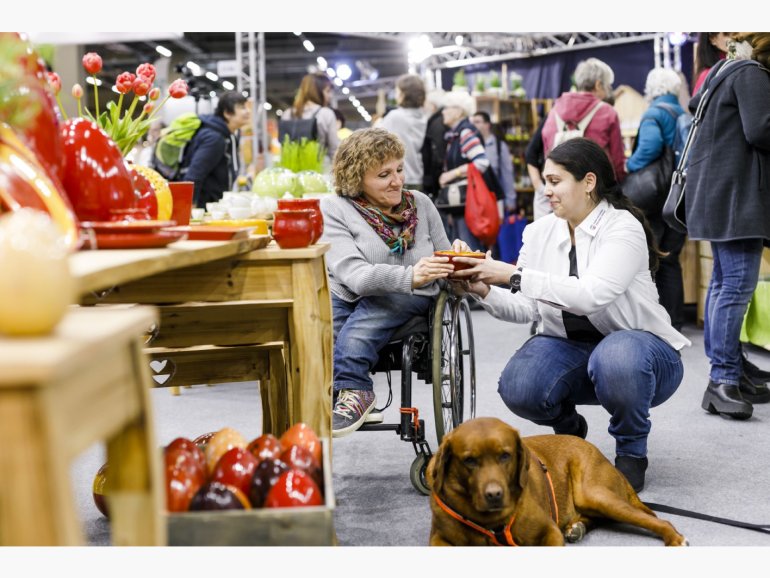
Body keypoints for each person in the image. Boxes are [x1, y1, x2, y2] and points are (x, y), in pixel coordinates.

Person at [450, 138, 691, 493]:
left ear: (588, 182)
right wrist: (482, 288)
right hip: (575, 351)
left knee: (617, 354)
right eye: (545, 181)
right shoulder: (539, 231)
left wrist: (512, 274)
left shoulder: (622, 227)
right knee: (519, 385)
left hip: (646, 357)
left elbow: (591, 296)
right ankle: (570, 430)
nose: (546, 190)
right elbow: (527, 307)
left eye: (555, 181)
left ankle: (631, 452)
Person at [321, 127, 461, 437]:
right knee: (320, 325)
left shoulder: (421, 204)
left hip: (412, 293)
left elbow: (445, 255)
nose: (397, 180)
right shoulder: (334, 209)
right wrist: (410, 273)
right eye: (384, 175)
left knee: (371, 314)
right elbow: (355, 277)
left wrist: (458, 259)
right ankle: (343, 396)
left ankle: (356, 391)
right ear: (357, 179)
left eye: (399, 169)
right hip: (349, 293)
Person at [684, 33, 770, 419]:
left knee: (723, 284)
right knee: (733, 286)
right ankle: (722, 380)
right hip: (738, 198)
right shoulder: (751, 73)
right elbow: (760, 129)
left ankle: (732, 371)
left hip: (718, 195)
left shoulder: (722, 69)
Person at [626, 68, 686, 330]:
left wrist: (629, 164)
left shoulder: (654, 113)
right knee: (671, 259)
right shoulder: (684, 114)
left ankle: (651, 321)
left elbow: (649, 148)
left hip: (655, 198)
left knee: (650, 259)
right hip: (680, 195)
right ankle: (674, 320)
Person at [541, 58, 626, 185]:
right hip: (598, 191)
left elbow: (547, 152)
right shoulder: (608, 112)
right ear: (598, 85)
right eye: (607, 86)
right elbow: (618, 161)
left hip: (561, 192)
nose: (609, 91)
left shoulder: (554, 111)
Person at [435, 90, 494, 251]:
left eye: (447, 108)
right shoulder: (455, 134)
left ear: (459, 111)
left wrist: (451, 174)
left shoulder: (465, 132)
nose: (443, 112)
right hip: (461, 203)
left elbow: (481, 162)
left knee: (468, 247)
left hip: (468, 203)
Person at [182, 91, 251, 208]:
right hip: (202, 209)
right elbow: (193, 176)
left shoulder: (227, 135)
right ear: (227, 113)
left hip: (212, 205)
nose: (247, 111)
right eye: (242, 108)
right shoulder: (215, 139)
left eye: (246, 107)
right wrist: (189, 210)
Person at [380, 74, 428, 191]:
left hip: (398, 178)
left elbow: (375, 139)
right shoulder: (423, 117)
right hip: (417, 176)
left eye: (397, 91)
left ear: (403, 94)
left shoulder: (395, 117)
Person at [282, 72, 339, 166]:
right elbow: (334, 150)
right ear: (317, 92)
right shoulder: (326, 113)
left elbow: (284, 146)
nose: (330, 96)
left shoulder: (287, 113)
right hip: (319, 170)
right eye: (327, 91)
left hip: (291, 170)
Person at [471, 110, 516, 213]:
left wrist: (510, 200)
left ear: (487, 125)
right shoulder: (471, 145)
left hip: (493, 198)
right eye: (472, 122)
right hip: (474, 199)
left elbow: (507, 174)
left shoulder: (499, 146)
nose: (473, 125)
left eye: (477, 122)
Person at [421, 88, 447, 199]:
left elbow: (438, 155)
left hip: (436, 183)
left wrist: (430, 181)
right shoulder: (437, 121)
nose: (423, 107)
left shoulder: (436, 124)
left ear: (433, 105)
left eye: (426, 103)